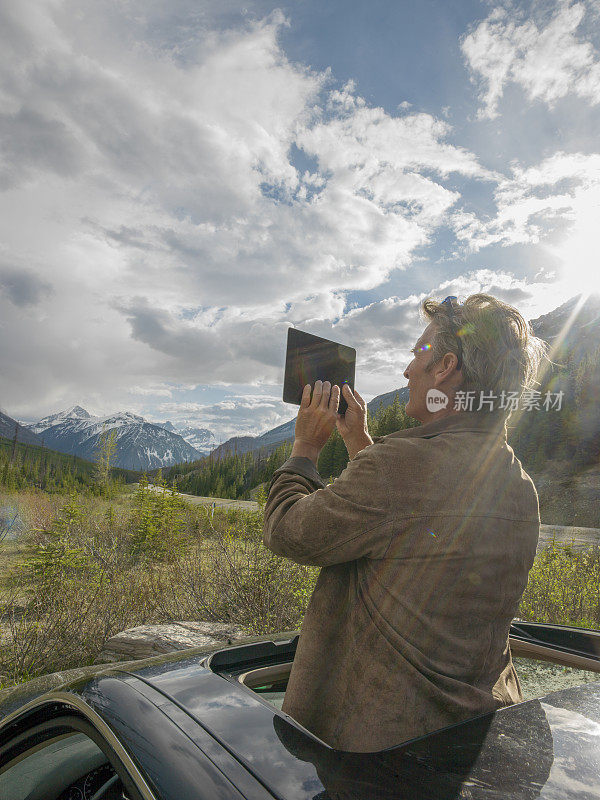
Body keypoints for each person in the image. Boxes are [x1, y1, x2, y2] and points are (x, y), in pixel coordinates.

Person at [262, 293, 547, 753]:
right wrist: (358, 440)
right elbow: (407, 528)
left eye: (418, 354)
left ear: (445, 368)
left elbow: (287, 531)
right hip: (480, 732)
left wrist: (305, 450)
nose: (407, 370)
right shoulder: (517, 481)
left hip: (386, 749)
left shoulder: (401, 467)